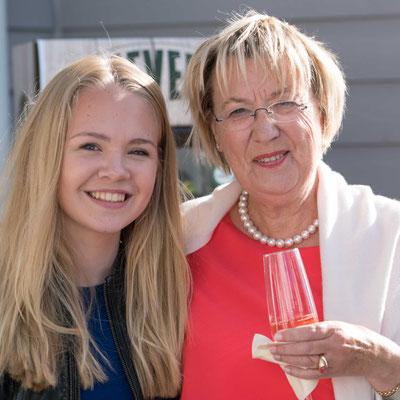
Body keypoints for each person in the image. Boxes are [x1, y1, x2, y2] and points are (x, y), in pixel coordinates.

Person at [180, 10, 400, 400]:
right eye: (239, 111)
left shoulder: (390, 234)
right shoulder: (181, 237)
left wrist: (380, 361)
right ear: (215, 133)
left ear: (321, 110)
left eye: (284, 103)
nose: (265, 131)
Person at [0, 54, 189, 399]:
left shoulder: (181, 296)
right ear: (46, 154)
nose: (115, 170)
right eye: (90, 146)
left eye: (138, 151)